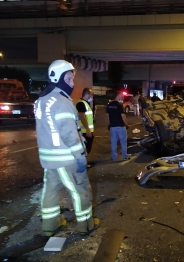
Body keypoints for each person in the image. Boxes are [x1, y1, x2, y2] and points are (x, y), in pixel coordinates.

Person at [34, 60, 99, 236]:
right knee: (80, 191)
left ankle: (50, 225)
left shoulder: (41, 100)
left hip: (49, 159)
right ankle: (86, 225)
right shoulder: (61, 101)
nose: (72, 83)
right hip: (67, 158)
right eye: (69, 79)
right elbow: (69, 133)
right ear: (58, 78)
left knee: (51, 191)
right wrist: (80, 155)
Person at [107, 91, 131, 160]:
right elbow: (123, 116)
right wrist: (126, 124)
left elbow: (108, 116)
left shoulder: (109, 105)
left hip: (112, 127)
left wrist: (110, 123)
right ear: (117, 96)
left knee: (113, 142)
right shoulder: (119, 105)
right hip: (120, 126)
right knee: (123, 142)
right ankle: (125, 156)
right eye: (120, 95)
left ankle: (113, 157)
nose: (121, 96)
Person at [76, 88, 95, 167]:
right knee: (84, 149)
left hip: (86, 130)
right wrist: (87, 130)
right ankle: (81, 165)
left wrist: (91, 101)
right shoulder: (81, 103)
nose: (92, 96)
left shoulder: (85, 103)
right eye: (91, 94)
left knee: (86, 148)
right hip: (84, 131)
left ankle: (84, 163)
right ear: (87, 94)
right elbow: (82, 117)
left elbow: (91, 111)